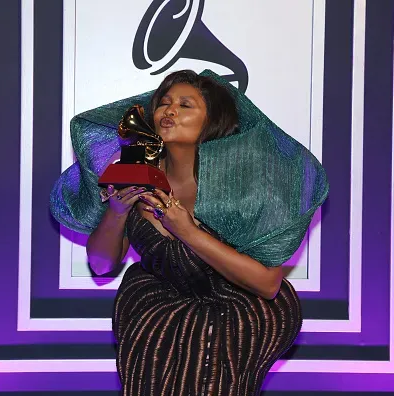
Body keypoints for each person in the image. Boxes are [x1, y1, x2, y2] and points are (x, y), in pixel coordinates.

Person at [50, 70, 328, 395]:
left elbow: (267, 285)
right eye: (164, 103)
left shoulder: (244, 186)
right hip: (155, 313)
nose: (169, 111)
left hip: (233, 314)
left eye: (185, 105)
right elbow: (100, 265)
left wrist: (187, 232)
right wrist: (117, 211)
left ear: (213, 120)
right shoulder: (136, 170)